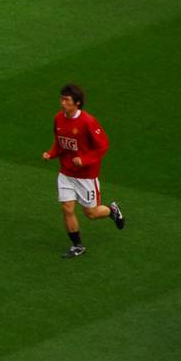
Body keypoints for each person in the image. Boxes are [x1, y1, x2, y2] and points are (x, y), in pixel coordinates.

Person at [42, 83, 124, 258]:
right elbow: (60, 142)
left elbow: (103, 145)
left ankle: (112, 211)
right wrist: (51, 153)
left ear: (77, 102)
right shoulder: (58, 118)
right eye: (61, 99)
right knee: (67, 208)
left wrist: (84, 160)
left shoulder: (88, 121)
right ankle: (77, 246)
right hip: (66, 173)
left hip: (86, 176)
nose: (62, 103)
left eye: (66, 100)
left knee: (91, 214)